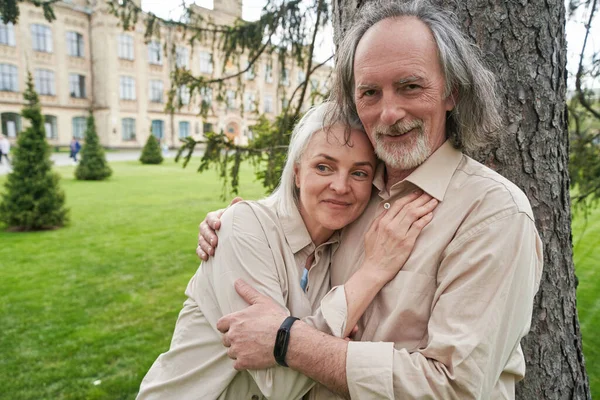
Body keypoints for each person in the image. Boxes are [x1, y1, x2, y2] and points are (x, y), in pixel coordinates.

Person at [197, 1, 544, 398]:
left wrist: (288, 343)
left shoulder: (493, 214)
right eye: (370, 92)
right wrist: (235, 224)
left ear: (451, 92)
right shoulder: (351, 197)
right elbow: (290, 243)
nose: (389, 113)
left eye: (410, 86)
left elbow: (455, 389)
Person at [137, 102, 438, 399]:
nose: (340, 186)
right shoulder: (244, 227)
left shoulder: (340, 250)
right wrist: (372, 274)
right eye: (323, 167)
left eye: (359, 173)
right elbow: (279, 385)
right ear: (296, 173)